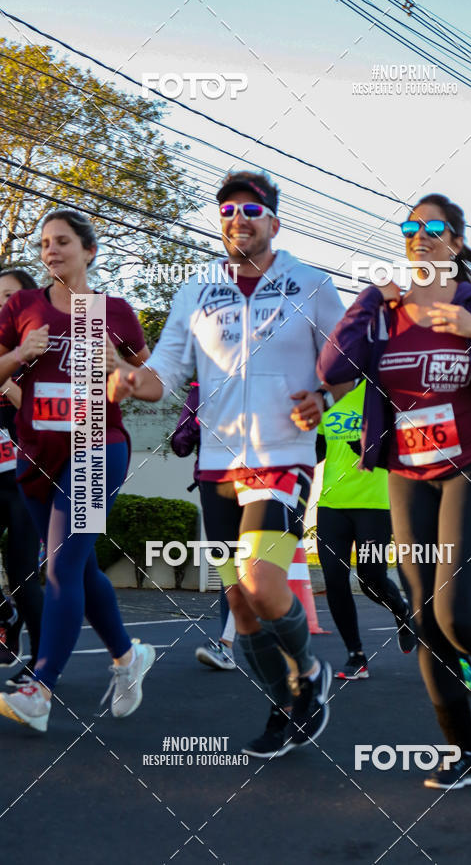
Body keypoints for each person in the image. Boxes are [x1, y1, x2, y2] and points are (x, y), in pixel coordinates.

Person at [108, 170, 346, 757]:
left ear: (274, 221)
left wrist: (325, 395)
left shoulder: (310, 284)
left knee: (262, 584)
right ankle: (283, 707)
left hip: (282, 456)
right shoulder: (195, 291)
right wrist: (132, 381)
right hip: (216, 462)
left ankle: (309, 672)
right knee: (238, 601)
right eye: (227, 212)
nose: (237, 220)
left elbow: (342, 361)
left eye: (250, 210)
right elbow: (166, 377)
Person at [318, 193, 471, 789]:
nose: (419, 235)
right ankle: (463, 752)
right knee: (424, 618)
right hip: (406, 471)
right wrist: (370, 299)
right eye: (410, 226)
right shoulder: (384, 309)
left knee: (453, 611)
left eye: (433, 227)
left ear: (455, 239)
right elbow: (332, 369)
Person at [0, 210, 155, 732]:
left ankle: (39, 689)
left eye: (62, 242)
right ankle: (127, 656)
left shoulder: (112, 311)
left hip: (96, 446)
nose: (51, 252)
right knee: (81, 570)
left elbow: (153, 385)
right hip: (37, 454)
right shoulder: (23, 306)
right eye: (44, 244)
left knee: (61, 567)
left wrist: (121, 369)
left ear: (89, 250)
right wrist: (21, 352)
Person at [315, 379, 415, 681]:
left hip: (374, 504)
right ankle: (355, 655)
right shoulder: (323, 402)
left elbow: (401, 443)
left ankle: (402, 611)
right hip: (331, 505)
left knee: (370, 578)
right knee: (334, 578)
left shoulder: (379, 393)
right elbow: (316, 452)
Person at [171, 382, 236, 670]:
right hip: (213, 484)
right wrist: (197, 423)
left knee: (248, 565)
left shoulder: (261, 377)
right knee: (228, 566)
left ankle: (227, 643)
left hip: (258, 481)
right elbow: (179, 445)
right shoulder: (200, 391)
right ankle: (228, 644)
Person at [0, 269, 44, 683]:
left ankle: (43, 662)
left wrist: (10, 376)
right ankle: (4, 614)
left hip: (25, 477)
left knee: (23, 574)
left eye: (10, 297)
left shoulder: (40, 353)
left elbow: (40, 414)